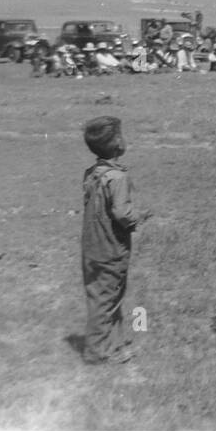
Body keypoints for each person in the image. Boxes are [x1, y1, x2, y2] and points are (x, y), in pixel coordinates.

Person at [80, 116, 153, 364]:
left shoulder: (92, 173)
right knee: (108, 299)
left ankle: (113, 343)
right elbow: (122, 213)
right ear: (117, 144)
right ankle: (99, 352)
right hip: (111, 249)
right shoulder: (117, 178)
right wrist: (138, 217)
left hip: (92, 247)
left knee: (103, 297)